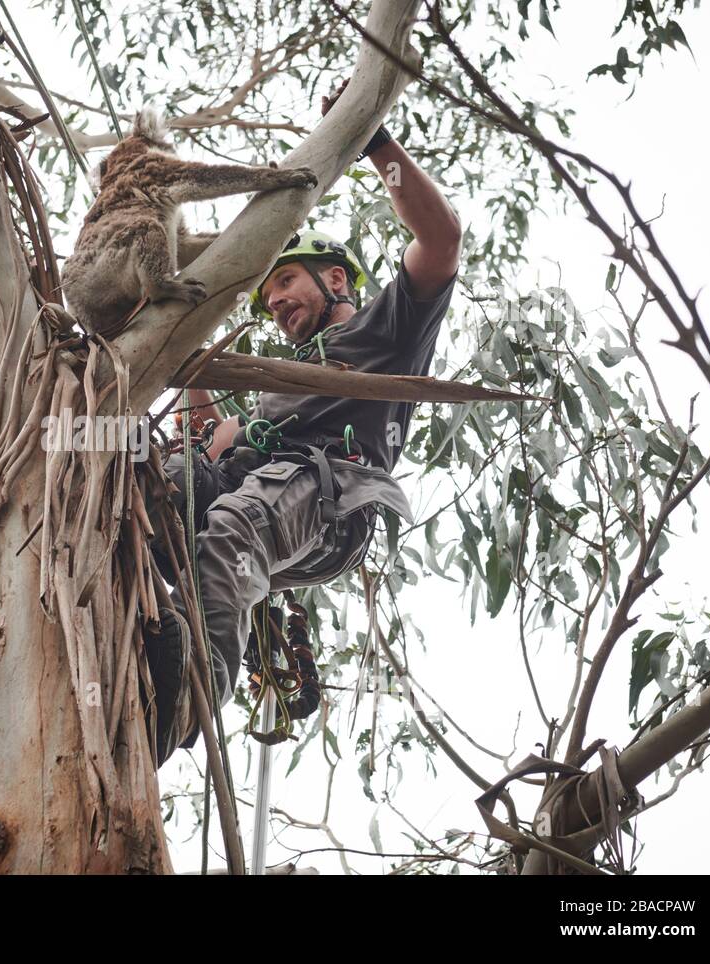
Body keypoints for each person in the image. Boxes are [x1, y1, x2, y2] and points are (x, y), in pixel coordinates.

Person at [144, 80, 463, 767]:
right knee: (150, 471)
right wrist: (190, 360)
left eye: (287, 281)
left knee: (231, 530)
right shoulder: (271, 381)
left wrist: (376, 143)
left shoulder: (384, 331)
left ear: (337, 280)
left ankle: (178, 710)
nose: (276, 301)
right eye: (267, 295)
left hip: (326, 496)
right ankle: (135, 629)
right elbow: (203, 444)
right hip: (250, 491)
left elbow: (440, 241)